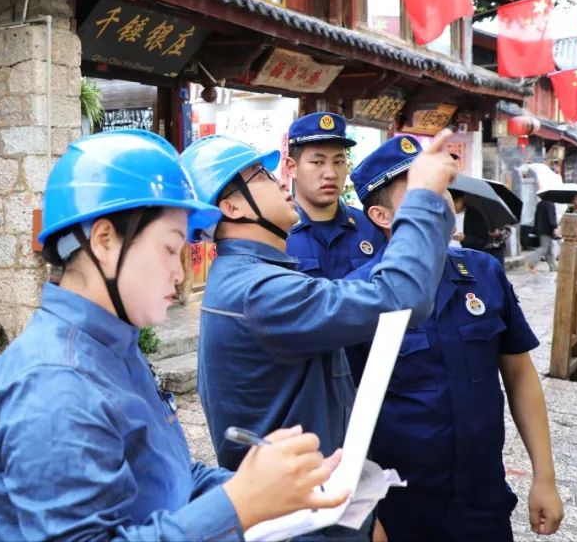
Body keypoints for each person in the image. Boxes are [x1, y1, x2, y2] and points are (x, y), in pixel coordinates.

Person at [0, 130, 349, 541]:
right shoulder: (53, 381)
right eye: (170, 249)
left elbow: (172, 475)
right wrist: (238, 503)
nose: (179, 275)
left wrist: (271, 488)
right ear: (104, 241)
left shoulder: (112, 348)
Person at [181, 130, 457, 542]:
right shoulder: (259, 291)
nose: (280, 181)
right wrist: (422, 197)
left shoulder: (254, 278)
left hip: (317, 508)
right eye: (261, 175)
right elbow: (400, 297)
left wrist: (360, 512)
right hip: (303, 523)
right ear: (231, 206)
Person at [346, 136, 563, 541]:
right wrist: (364, 513)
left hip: (482, 500)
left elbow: (519, 375)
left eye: (442, 188)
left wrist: (544, 477)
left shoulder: (484, 273)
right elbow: (343, 411)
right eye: (422, 191)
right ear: (381, 215)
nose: (441, 200)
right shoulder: (360, 294)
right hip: (399, 506)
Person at [284, 112, 385, 279]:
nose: (331, 174)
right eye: (317, 162)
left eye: (339, 162)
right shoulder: (276, 233)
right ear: (292, 167)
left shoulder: (371, 228)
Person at [527, 196, 558, 272]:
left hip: (540, 230)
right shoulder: (550, 204)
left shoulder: (540, 204)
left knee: (549, 250)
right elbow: (551, 219)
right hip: (547, 230)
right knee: (544, 248)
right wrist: (555, 226)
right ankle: (531, 262)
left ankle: (553, 266)